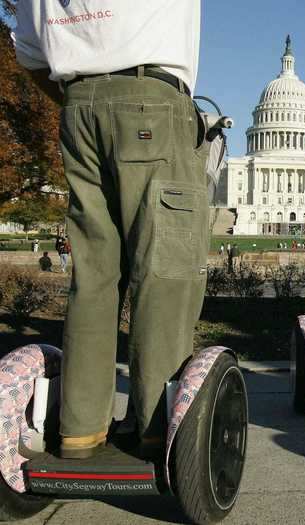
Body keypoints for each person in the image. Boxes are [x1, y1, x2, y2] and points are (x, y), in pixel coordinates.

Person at [14, 0, 204, 459]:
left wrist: (89, 95)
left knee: (94, 278)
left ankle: (78, 431)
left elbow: (29, 55)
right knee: (164, 272)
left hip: (77, 104)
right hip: (150, 97)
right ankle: (156, 428)